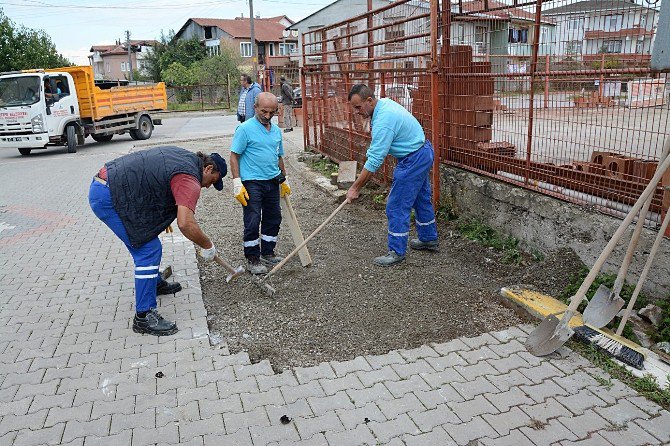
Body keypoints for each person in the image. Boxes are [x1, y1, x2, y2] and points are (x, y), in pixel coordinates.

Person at [88, 146, 227, 336]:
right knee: (148, 250)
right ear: (208, 169)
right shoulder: (189, 178)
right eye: (213, 181)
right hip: (108, 196)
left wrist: (157, 219)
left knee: (148, 240)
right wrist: (207, 245)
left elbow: (155, 177)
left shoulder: (185, 158)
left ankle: (153, 283)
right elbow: (185, 224)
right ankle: (144, 317)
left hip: (111, 184)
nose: (209, 186)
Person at [345, 84, 438, 267]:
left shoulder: (384, 120)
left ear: (370, 101)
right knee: (421, 198)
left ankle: (396, 251)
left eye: (358, 107)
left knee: (396, 205)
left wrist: (355, 187)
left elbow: (374, 161)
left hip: (413, 159)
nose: (356, 112)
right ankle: (428, 238)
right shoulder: (383, 104)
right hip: (422, 151)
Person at [230, 92, 291, 275]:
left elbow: (279, 156)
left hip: (272, 180)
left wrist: (285, 178)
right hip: (252, 182)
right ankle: (252, 257)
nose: (267, 116)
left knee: (273, 218)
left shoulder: (276, 131)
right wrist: (237, 182)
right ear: (255, 107)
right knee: (252, 219)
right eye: (264, 111)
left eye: (272, 112)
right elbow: (234, 155)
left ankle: (268, 251)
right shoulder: (245, 129)